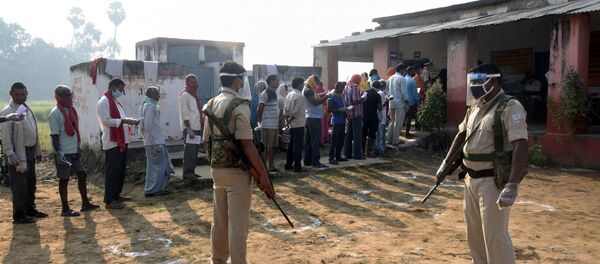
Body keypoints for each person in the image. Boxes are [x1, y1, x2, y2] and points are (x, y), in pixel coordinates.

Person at [437, 64, 528, 264]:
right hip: (470, 179)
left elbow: (521, 144)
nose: (474, 86)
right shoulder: (476, 106)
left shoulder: (510, 106)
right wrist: (446, 163)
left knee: (494, 238)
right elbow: (462, 134)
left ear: (492, 81)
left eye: (478, 81)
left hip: (492, 182)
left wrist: (512, 185)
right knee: (475, 237)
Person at [203, 61, 276, 264]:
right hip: (237, 172)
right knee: (238, 224)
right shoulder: (239, 105)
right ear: (236, 80)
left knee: (220, 221)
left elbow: (205, 141)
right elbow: (247, 144)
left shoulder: (210, 103)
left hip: (217, 169)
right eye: (242, 79)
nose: (242, 83)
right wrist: (263, 175)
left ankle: (217, 260)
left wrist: (215, 164)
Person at [1, 82, 47, 224]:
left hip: (30, 151)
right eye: (17, 94)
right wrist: (10, 153)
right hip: (18, 153)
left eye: (23, 94)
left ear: (27, 94)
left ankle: (30, 209)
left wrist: (37, 150)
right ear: (11, 94)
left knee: (31, 184)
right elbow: (5, 135)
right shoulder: (8, 111)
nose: (21, 97)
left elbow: (35, 131)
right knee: (19, 185)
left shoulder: (26, 108)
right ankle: (19, 214)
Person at [49, 85, 99, 217]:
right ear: (58, 97)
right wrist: (59, 153)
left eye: (70, 95)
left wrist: (77, 146)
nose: (69, 97)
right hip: (63, 152)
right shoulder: (55, 113)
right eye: (66, 95)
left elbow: (75, 130)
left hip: (73, 150)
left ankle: (85, 203)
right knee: (64, 179)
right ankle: (65, 208)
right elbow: (54, 135)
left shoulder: (70, 110)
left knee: (82, 174)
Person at [96, 78, 139, 209]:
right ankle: (109, 200)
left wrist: (128, 120)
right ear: (113, 87)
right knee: (112, 172)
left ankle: (116, 195)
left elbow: (119, 119)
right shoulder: (104, 102)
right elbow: (106, 121)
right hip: (112, 141)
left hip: (121, 140)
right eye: (120, 89)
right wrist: (125, 121)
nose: (121, 92)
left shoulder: (115, 102)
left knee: (120, 171)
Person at [139, 86, 173, 197]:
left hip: (155, 140)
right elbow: (148, 126)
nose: (159, 95)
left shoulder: (150, 105)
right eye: (157, 93)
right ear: (151, 94)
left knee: (159, 165)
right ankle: (154, 190)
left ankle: (154, 189)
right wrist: (155, 143)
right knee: (158, 167)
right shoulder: (149, 106)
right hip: (154, 142)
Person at [179, 74, 204, 181]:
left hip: (196, 126)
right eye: (192, 82)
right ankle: (187, 173)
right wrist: (188, 128)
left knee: (194, 151)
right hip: (190, 127)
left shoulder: (194, 95)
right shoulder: (185, 95)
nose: (195, 85)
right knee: (189, 151)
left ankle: (191, 172)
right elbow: (184, 112)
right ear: (187, 83)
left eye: (196, 82)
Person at [303, 75, 332, 169]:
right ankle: (316, 162)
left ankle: (307, 161)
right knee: (315, 141)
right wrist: (327, 96)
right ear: (313, 82)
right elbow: (315, 102)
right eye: (317, 82)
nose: (318, 83)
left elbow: (316, 96)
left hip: (311, 118)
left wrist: (325, 93)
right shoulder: (308, 91)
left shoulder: (309, 89)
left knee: (309, 141)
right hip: (313, 118)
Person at [257, 74, 281, 172]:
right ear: (270, 82)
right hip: (267, 125)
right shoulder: (265, 93)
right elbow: (259, 109)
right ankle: (264, 167)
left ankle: (270, 166)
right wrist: (259, 123)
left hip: (273, 124)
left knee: (271, 147)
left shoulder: (274, 93)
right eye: (276, 80)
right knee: (267, 147)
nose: (278, 82)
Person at [284, 78, 307, 172]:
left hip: (291, 124)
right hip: (298, 123)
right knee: (297, 146)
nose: (303, 86)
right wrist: (290, 120)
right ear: (299, 85)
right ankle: (297, 166)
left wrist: (287, 120)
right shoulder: (299, 96)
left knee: (291, 145)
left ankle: (288, 164)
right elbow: (296, 112)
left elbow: (285, 109)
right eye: (302, 84)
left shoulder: (289, 94)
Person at [343, 74, 365, 160]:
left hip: (349, 113)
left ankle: (347, 154)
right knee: (357, 135)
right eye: (360, 80)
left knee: (348, 134)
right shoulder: (355, 87)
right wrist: (362, 98)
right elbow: (355, 100)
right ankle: (357, 155)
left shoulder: (347, 86)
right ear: (357, 80)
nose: (360, 82)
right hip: (356, 113)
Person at [387, 64, 409, 145]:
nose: (405, 72)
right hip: (400, 103)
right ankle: (395, 141)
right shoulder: (401, 78)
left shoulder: (390, 78)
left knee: (391, 122)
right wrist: (407, 103)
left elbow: (387, 90)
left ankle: (389, 140)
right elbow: (404, 93)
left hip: (391, 103)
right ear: (402, 70)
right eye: (404, 70)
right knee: (398, 123)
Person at [327, 82, 348, 165]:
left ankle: (338, 156)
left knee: (341, 140)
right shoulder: (332, 96)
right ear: (337, 87)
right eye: (342, 88)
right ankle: (331, 158)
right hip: (336, 121)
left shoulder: (341, 96)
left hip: (342, 120)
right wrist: (339, 110)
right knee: (334, 141)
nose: (343, 90)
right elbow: (329, 109)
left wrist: (346, 110)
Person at [362, 81, 382, 157]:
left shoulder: (365, 92)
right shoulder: (377, 95)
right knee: (371, 135)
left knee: (363, 134)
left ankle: (362, 151)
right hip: (373, 117)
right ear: (379, 87)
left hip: (364, 116)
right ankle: (368, 152)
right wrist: (386, 102)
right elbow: (379, 108)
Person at [375, 80, 391, 155]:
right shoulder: (381, 93)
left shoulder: (379, 93)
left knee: (381, 133)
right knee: (381, 134)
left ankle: (382, 147)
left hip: (380, 115)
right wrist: (387, 100)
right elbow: (381, 106)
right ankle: (380, 149)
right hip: (381, 115)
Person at [404, 66, 420, 138]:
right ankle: (407, 134)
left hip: (404, 101)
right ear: (410, 71)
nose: (414, 73)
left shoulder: (403, 79)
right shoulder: (412, 81)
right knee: (409, 118)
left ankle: (404, 133)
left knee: (404, 118)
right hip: (411, 102)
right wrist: (418, 101)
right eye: (413, 71)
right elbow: (415, 93)